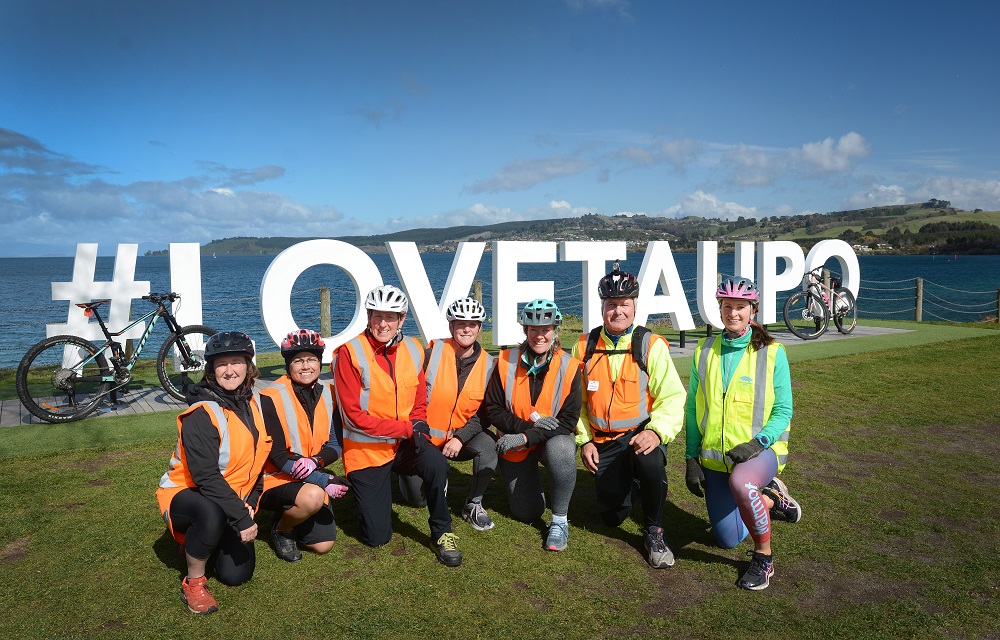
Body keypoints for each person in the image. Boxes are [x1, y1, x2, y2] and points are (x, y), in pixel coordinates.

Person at [683, 277, 802, 591]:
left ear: (753, 311)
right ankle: (770, 496)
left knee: (742, 482)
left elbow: (783, 411)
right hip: (716, 457)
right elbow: (694, 408)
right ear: (719, 309)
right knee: (726, 538)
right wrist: (691, 457)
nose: (733, 313)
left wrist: (758, 443)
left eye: (740, 307)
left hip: (760, 453)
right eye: (727, 306)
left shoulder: (773, 352)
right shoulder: (704, 349)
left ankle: (764, 558)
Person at [334, 284, 462, 566]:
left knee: (437, 464)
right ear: (368, 316)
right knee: (376, 538)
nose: (383, 324)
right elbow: (354, 417)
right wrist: (407, 429)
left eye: (390, 317)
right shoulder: (349, 353)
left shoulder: (414, 348)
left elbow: (418, 402)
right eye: (377, 316)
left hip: (405, 445)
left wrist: (418, 426)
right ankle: (363, 492)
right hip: (366, 452)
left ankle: (442, 532)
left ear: (402, 319)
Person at [573, 261, 687, 568]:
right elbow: (577, 403)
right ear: (602, 308)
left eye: (624, 304)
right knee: (612, 517)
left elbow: (673, 397)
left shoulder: (650, 344)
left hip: (640, 435)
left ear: (635, 307)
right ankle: (631, 483)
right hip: (603, 443)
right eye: (612, 305)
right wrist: (584, 441)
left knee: (649, 461)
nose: (618, 311)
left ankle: (654, 530)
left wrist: (658, 430)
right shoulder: (583, 346)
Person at [156, 331, 273, 615]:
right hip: (186, 495)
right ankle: (193, 581)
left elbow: (261, 458)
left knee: (236, 576)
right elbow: (205, 476)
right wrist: (242, 517)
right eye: (222, 364)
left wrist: (252, 500)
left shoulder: (258, 403)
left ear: (248, 366)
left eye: (237, 362)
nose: (230, 370)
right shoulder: (201, 413)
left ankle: (198, 543)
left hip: (229, 497)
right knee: (210, 513)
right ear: (211, 369)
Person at [484, 298, 582, 551]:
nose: (540, 336)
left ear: (556, 330)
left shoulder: (570, 367)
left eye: (545, 329)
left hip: (551, 439)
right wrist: (525, 430)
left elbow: (569, 420)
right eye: (533, 329)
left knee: (561, 449)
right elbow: (493, 409)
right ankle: (536, 489)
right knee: (526, 513)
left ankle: (560, 520)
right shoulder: (505, 361)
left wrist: (527, 437)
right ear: (525, 331)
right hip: (514, 442)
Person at [397, 297, 499, 531]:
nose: (466, 329)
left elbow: (485, 415)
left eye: (472, 324)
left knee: (489, 444)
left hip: (459, 439)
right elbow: (407, 397)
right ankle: (406, 472)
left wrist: (460, 437)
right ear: (451, 327)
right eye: (460, 323)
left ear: (479, 328)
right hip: (423, 440)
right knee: (418, 500)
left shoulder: (490, 365)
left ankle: (473, 503)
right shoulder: (431, 354)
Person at [259, 329, 349, 563]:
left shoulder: (329, 392)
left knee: (323, 545)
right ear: (288, 365)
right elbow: (277, 456)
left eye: (311, 359)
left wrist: (315, 463)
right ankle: (281, 529)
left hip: (309, 472)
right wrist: (322, 480)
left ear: (320, 362)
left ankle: (296, 514)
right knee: (313, 496)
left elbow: (335, 444)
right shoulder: (270, 396)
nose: (306, 366)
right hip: (275, 478)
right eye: (298, 361)